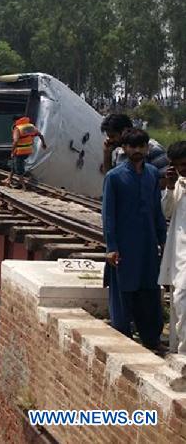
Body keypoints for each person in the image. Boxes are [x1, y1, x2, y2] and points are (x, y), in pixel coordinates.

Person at [102, 128, 167, 350]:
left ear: (147, 148)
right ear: (125, 149)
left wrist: (163, 239)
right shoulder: (114, 177)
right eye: (133, 146)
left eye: (141, 146)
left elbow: (157, 210)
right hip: (125, 244)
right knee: (124, 290)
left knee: (149, 289)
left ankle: (151, 338)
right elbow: (108, 214)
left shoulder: (151, 174)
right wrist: (111, 247)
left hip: (148, 243)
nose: (137, 150)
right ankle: (123, 338)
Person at [160, 141, 186, 353]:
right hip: (179, 255)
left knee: (182, 300)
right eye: (178, 166)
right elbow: (166, 212)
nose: (183, 169)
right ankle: (177, 351)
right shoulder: (178, 185)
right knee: (178, 302)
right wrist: (169, 186)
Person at [101, 113, 168, 175]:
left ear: (125, 131)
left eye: (112, 136)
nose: (110, 140)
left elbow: (165, 180)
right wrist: (107, 154)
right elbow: (111, 179)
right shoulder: (120, 152)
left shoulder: (153, 149)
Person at [4, 116, 47, 188]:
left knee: (18, 168)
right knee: (14, 164)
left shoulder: (17, 128)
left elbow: (15, 141)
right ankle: (9, 179)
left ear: (15, 121)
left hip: (19, 151)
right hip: (28, 150)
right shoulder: (31, 126)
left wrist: (12, 151)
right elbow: (40, 135)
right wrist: (43, 144)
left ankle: (23, 186)